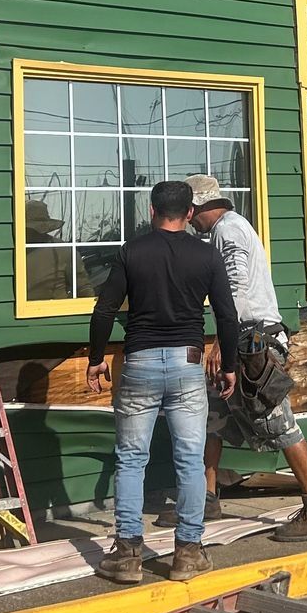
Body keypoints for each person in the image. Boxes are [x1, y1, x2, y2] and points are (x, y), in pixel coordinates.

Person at [85, 179, 240, 585]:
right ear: (189, 214)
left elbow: (104, 311)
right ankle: (188, 553)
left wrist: (97, 359)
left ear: (152, 211)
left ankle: (127, 554)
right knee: (189, 459)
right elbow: (227, 315)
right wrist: (230, 364)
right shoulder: (206, 255)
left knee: (132, 458)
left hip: (138, 362)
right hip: (188, 365)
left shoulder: (132, 251)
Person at [170, 174, 307, 543]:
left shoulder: (229, 232)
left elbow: (237, 292)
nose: (189, 222)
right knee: (213, 416)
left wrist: (220, 344)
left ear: (196, 208)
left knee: (279, 421)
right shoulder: (223, 231)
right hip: (244, 338)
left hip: (253, 341)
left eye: (189, 214)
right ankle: (207, 498)